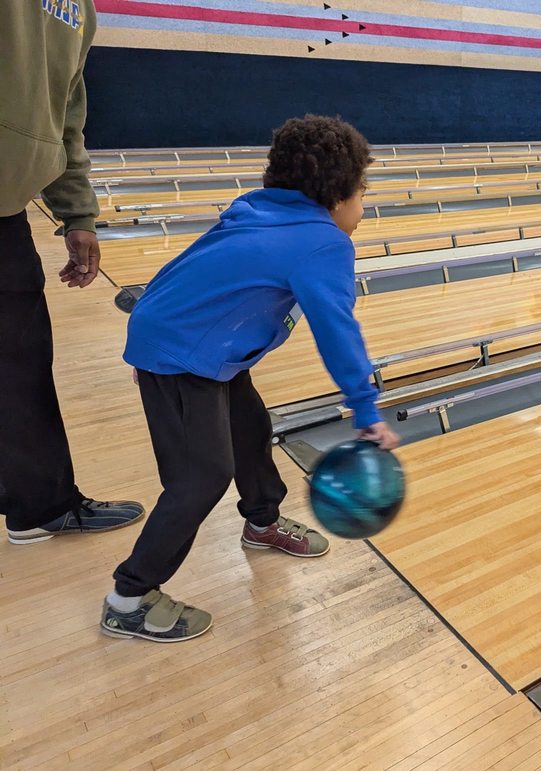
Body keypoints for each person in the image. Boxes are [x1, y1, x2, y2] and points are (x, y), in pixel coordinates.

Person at [103, 115, 400, 642]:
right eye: (362, 191)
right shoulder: (322, 243)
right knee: (202, 477)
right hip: (180, 357)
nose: (364, 204)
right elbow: (338, 332)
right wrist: (365, 408)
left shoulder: (258, 207)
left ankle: (262, 522)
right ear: (336, 196)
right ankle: (128, 597)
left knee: (251, 431)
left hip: (201, 349)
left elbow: (189, 264)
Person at [0, 0, 145, 545]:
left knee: (20, 358)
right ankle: (37, 500)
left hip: (6, 206)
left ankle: (32, 496)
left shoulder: (77, 9)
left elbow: (66, 116)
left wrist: (77, 213)